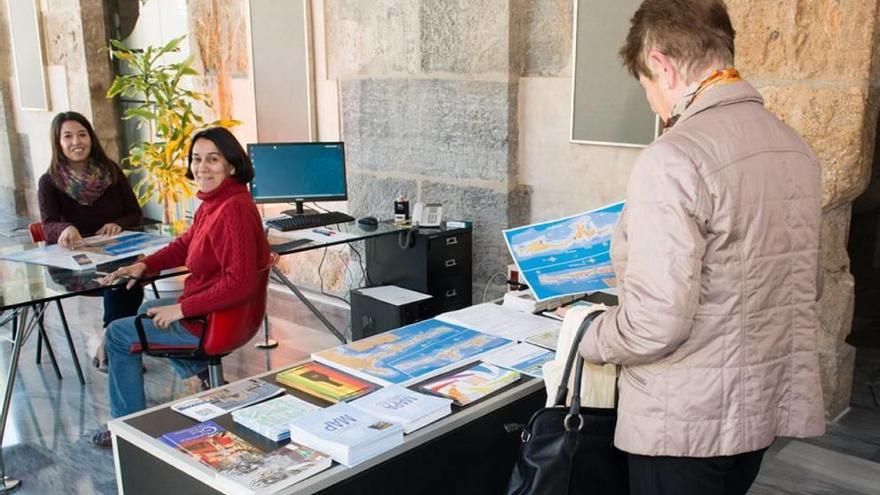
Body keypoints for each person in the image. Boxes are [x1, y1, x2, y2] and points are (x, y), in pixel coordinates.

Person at [577, 1, 825, 494]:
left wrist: (586, 335)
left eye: (646, 85)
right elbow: (806, 283)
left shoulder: (673, 157)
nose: (652, 102)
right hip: (756, 414)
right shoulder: (793, 146)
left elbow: (655, 324)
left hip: (683, 424)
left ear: (661, 64)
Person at [91, 127, 271, 447]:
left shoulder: (233, 210)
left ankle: (127, 431)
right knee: (147, 309)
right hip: (218, 315)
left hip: (212, 322)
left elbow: (239, 282)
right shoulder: (217, 202)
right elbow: (186, 244)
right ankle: (205, 375)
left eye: (212, 159)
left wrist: (181, 309)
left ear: (231, 164)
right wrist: (145, 264)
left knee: (117, 335)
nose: (202, 167)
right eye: (197, 159)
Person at [38, 111, 145, 367]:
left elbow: (135, 213)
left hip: (117, 255)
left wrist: (117, 224)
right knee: (122, 282)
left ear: (91, 137)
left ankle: (111, 344)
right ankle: (119, 347)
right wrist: (63, 229)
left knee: (126, 280)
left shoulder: (111, 172)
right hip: (74, 264)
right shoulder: (49, 182)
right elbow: (48, 224)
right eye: (68, 136)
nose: (77, 141)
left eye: (82, 134)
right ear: (58, 142)